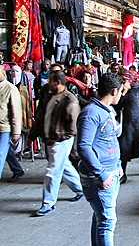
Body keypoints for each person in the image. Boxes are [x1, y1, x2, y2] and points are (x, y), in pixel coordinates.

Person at [77, 73, 124, 246]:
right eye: (120, 92)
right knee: (106, 223)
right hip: (98, 178)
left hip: (109, 173)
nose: (121, 95)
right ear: (113, 91)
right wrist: (102, 174)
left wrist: (117, 164)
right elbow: (83, 146)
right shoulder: (90, 113)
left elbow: (109, 139)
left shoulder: (106, 111)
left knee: (100, 219)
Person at [31, 70, 83, 216]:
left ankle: (48, 203)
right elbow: (41, 117)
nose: (48, 83)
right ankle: (80, 189)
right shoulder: (49, 95)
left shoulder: (70, 99)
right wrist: (33, 134)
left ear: (58, 83)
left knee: (53, 171)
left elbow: (73, 123)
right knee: (63, 166)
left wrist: (64, 137)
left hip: (61, 140)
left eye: (50, 81)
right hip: (52, 138)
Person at [0, 64, 22, 180]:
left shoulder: (10, 88)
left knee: (0, 153)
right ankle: (17, 169)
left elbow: (16, 111)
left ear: (4, 74)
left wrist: (16, 131)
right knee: (4, 150)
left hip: (5, 127)